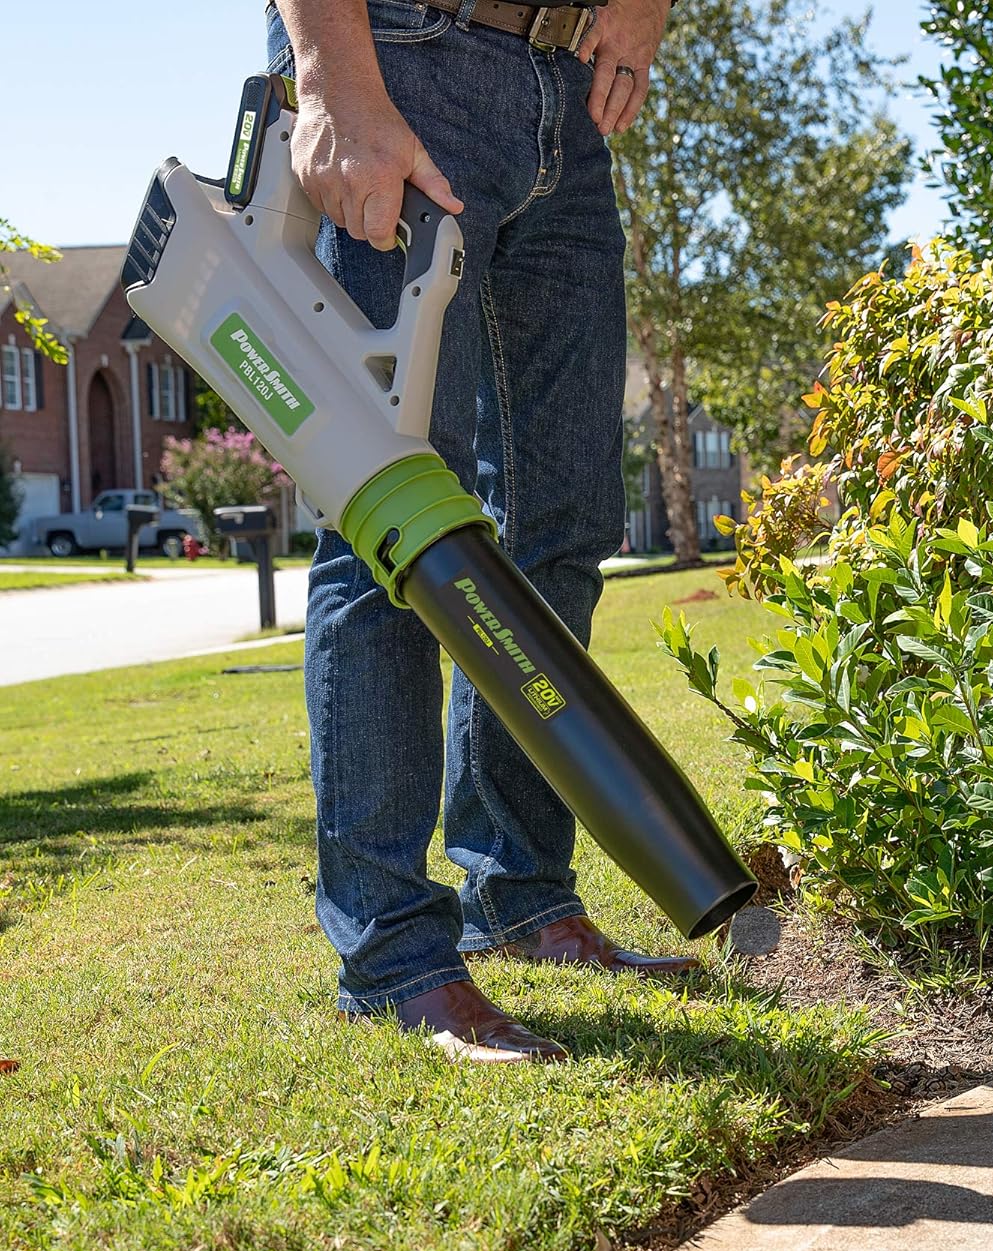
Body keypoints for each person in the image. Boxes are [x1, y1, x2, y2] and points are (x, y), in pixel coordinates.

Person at [266, 0, 691, 1066]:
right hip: (403, 54)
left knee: (565, 523)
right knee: (396, 514)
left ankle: (520, 892)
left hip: (563, 84)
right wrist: (334, 75)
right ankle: (396, 955)